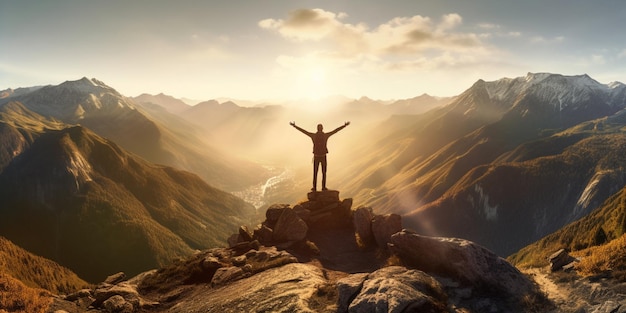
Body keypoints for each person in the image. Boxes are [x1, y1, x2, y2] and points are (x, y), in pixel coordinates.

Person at [290, 121, 350, 191]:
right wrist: (344, 125)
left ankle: (314, 188)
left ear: (317, 129)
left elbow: (304, 131)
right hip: (323, 156)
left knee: (315, 172)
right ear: (322, 129)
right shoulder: (325, 136)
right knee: (324, 172)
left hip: (316, 156)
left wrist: (295, 126)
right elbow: (335, 131)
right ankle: (323, 187)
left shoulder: (314, 136)